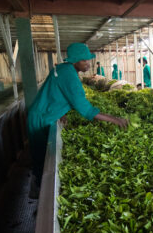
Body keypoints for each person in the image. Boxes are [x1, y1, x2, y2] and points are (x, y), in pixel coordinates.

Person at [27, 43, 127, 184]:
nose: (88, 63)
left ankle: (38, 183)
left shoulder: (64, 69)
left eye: (88, 60)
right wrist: (115, 120)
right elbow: (85, 109)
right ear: (75, 61)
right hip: (41, 117)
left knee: (42, 155)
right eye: (84, 60)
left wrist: (62, 111)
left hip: (43, 112)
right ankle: (37, 188)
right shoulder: (69, 76)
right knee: (42, 158)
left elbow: (56, 91)